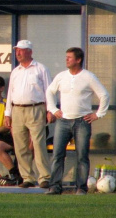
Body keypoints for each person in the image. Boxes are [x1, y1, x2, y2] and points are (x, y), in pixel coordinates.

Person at [45, 47, 110, 195]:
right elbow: (50, 91)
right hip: (63, 121)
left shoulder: (89, 77)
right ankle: (54, 186)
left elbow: (104, 95)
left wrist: (98, 114)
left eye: (69, 57)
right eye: (66, 57)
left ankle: (81, 188)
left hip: (82, 122)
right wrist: (53, 109)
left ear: (78, 60)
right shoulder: (61, 76)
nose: (66, 59)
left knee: (82, 156)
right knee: (58, 154)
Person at [4, 40, 53, 189]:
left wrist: (50, 109)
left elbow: (49, 91)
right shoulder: (15, 71)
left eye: (21, 50)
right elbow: (10, 93)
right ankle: (27, 177)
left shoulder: (40, 69)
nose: (18, 53)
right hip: (17, 110)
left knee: (38, 144)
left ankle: (44, 176)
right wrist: (8, 113)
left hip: (35, 108)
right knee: (20, 145)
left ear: (30, 52)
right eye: (17, 50)